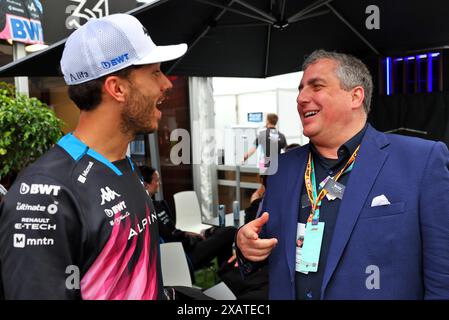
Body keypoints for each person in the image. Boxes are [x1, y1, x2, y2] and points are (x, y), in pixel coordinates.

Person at [0, 14, 187, 299]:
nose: (166, 84)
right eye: (155, 72)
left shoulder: (122, 164)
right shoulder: (45, 193)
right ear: (117, 88)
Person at [236, 50, 449, 300]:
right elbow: (264, 243)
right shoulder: (282, 169)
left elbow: (443, 278)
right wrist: (246, 247)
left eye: (316, 86)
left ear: (355, 96)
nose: (301, 98)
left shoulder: (420, 161)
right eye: (301, 88)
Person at [139, 166, 236, 280]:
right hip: (185, 255)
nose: (159, 183)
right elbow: (169, 238)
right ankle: (228, 277)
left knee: (222, 233)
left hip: (187, 244)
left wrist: (188, 234)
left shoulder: (159, 205)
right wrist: (188, 237)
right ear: (146, 185)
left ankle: (227, 277)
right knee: (230, 232)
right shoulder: (148, 213)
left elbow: (173, 231)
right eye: (156, 180)